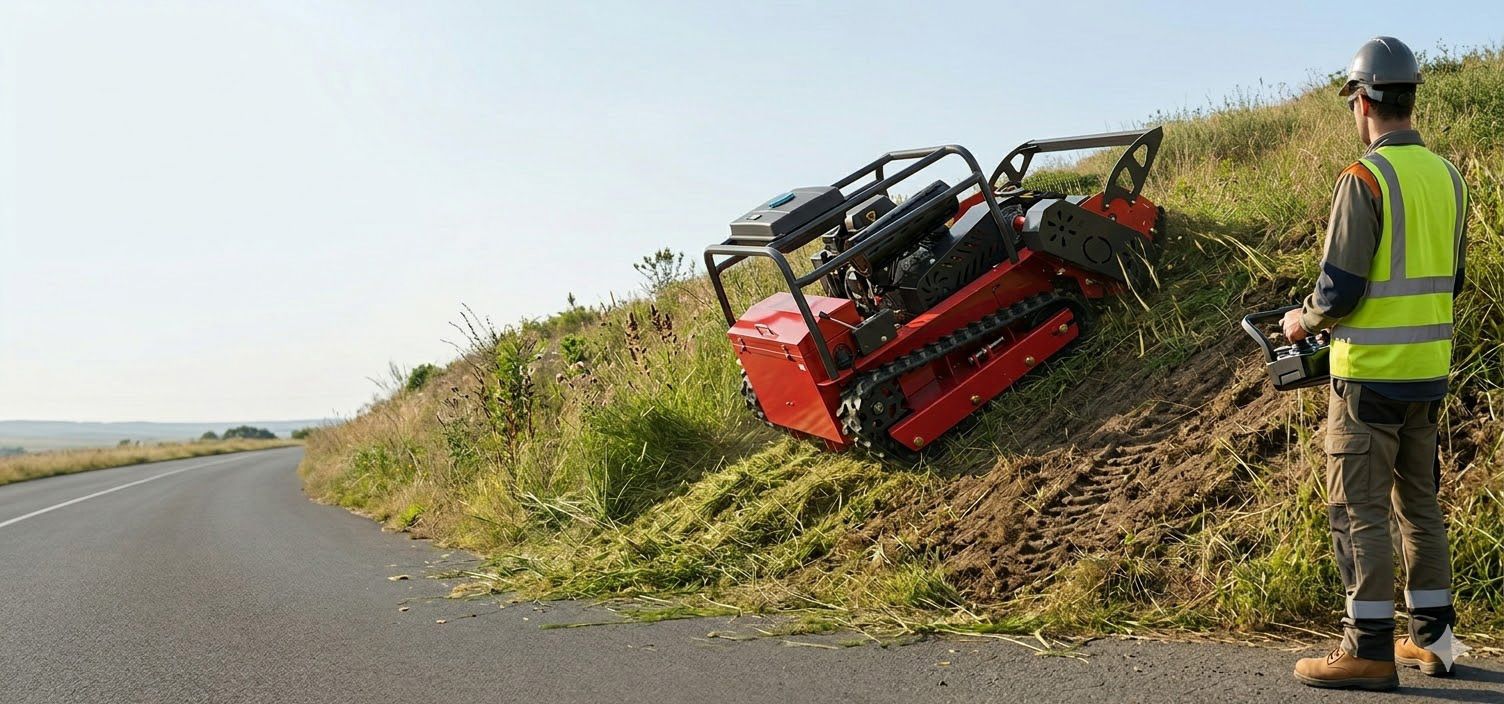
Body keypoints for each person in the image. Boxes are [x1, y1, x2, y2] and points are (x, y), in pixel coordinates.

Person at [1280, 36, 1469, 690]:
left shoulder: (1365, 178)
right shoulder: (1449, 177)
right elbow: (1455, 279)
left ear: (1362, 102)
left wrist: (1300, 320)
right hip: (1427, 378)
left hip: (1366, 383)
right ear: (1410, 97)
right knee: (1421, 505)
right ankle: (1435, 641)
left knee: (1357, 511)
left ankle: (1366, 649)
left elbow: (1340, 291)